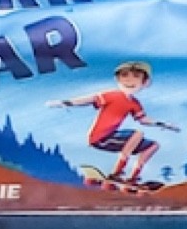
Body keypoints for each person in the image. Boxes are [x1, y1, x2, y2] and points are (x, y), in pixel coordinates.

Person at [49, 61, 179, 186]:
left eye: (136, 76)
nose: (129, 80)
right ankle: (116, 172)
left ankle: (133, 177)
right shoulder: (112, 95)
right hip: (100, 137)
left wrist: (163, 124)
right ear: (118, 79)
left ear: (145, 82)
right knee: (137, 134)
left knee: (153, 146)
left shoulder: (134, 103)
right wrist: (67, 102)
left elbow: (143, 119)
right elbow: (90, 99)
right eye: (124, 76)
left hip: (114, 137)